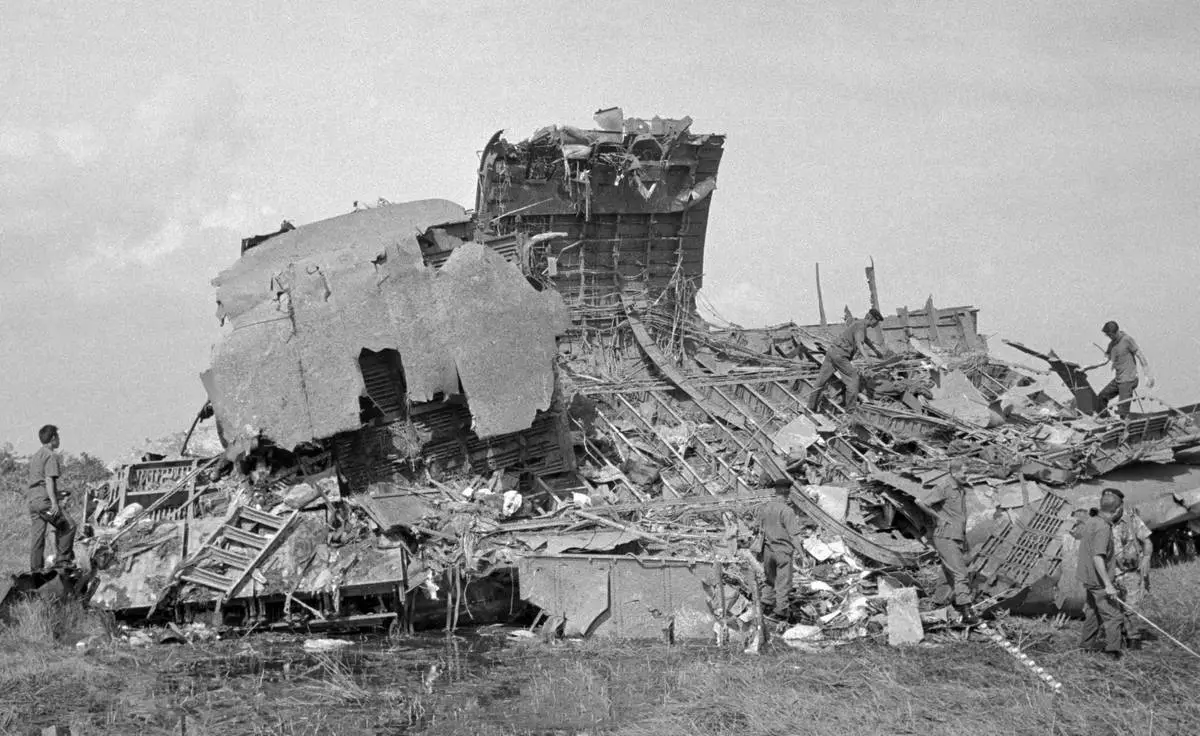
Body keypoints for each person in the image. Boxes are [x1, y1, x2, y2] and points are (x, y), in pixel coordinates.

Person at [917, 459, 975, 623]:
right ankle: (966, 611)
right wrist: (938, 518)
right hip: (945, 536)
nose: (966, 476)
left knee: (949, 572)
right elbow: (920, 502)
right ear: (954, 472)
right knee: (960, 572)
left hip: (957, 536)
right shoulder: (944, 487)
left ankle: (938, 602)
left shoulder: (960, 489)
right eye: (964, 472)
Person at [806, 308, 886, 413]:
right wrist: (867, 358)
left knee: (821, 381)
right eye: (877, 321)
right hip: (840, 356)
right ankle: (850, 411)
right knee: (853, 378)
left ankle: (810, 408)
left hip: (832, 352)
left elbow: (865, 339)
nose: (877, 324)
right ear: (871, 319)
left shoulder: (859, 324)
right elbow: (859, 342)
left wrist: (875, 350)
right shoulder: (861, 326)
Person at [1075, 494, 1123, 659]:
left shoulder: (1092, 521)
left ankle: (1085, 647)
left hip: (1088, 576)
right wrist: (1108, 585)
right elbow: (1097, 557)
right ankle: (1112, 653)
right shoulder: (1103, 528)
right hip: (1098, 580)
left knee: (1093, 612)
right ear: (1117, 510)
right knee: (1114, 616)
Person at [1103, 488, 1153, 644]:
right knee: (1112, 607)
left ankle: (1133, 638)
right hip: (1108, 572)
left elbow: (1147, 541)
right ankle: (1116, 637)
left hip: (1129, 572)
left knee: (1131, 607)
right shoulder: (1101, 520)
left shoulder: (1132, 520)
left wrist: (1146, 558)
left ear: (1120, 505)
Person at [751, 476, 804, 619]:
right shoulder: (787, 511)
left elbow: (755, 527)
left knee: (770, 580)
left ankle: (765, 604)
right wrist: (802, 554)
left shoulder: (764, 508)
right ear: (787, 492)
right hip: (783, 553)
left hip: (767, 551)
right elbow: (794, 536)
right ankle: (781, 611)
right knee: (783, 583)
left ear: (775, 491)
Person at [26, 424, 76, 572]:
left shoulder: (36, 455)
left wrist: (58, 494)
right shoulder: (50, 455)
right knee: (69, 526)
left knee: (38, 537)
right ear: (53, 438)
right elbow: (48, 480)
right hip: (44, 501)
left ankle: (35, 571)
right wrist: (54, 503)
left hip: (33, 501)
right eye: (58, 436)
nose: (59, 439)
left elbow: (39, 481)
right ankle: (63, 561)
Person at [1084, 321, 1153, 418]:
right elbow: (1104, 361)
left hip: (1129, 380)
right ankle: (1106, 420)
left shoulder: (1127, 340)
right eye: (1107, 335)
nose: (1108, 337)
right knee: (1101, 398)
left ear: (1115, 332)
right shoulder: (1111, 345)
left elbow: (1140, 356)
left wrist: (1148, 376)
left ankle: (1124, 425)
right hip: (1118, 380)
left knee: (1122, 411)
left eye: (1110, 335)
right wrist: (1086, 368)